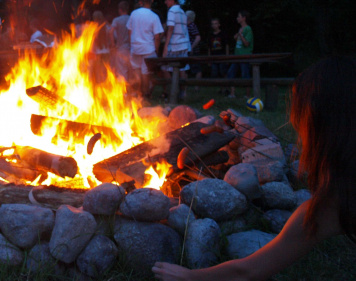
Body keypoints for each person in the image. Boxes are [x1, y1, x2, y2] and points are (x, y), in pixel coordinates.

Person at [152, 55, 356, 281]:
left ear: (322, 132)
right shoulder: (336, 200)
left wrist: (191, 277)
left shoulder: (331, 205)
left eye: (303, 129)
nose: (301, 140)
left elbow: (250, 270)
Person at [126, 0, 163, 101]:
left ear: (141, 2)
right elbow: (157, 36)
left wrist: (131, 45)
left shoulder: (134, 14)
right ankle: (146, 94)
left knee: (137, 71)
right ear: (152, 1)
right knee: (145, 73)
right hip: (148, 48)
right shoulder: (154, 16)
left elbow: (129, 31)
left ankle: (139, 94)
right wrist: (156, 50)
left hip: (135, 48)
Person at [162, 0, 190, 100]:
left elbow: (171, 28)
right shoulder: (182, 12)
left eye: (166, 0)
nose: (165, 2)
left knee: (165, 68)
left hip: (175, 44)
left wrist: (166, 46)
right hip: (184, 44)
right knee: (182, 69)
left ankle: (172, 92)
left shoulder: (172, 11)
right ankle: (182, 93)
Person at [227, 10, 253, 98]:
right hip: (237, 55)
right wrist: (238, 34)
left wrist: (240, 35)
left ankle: (248, 95)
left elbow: (246, 43)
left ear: (244, 18)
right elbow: (236, 39)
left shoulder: (248, 29)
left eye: (239, 16)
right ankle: (232, 93)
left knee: (245, 75)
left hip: (244, 55)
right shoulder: (240, 29)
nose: (237, 18)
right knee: (231, 72)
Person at [110, 1, 131, 83]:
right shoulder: (131, 18)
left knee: (122, 70)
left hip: (121, 48)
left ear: (120, 10)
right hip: (132, 48)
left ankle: (123, 90)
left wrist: (113, 44)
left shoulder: (117, 20)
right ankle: (133, 89)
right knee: (132, 69)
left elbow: (111, 32)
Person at [186, 10, 202, 92]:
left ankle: (197, 87)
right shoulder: (187, 26)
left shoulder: (192, 25)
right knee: (187, 69)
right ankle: (185, 87)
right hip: (188, 51)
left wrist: (192, 47)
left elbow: (198, 37)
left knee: (197, 69)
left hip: (193, 51)